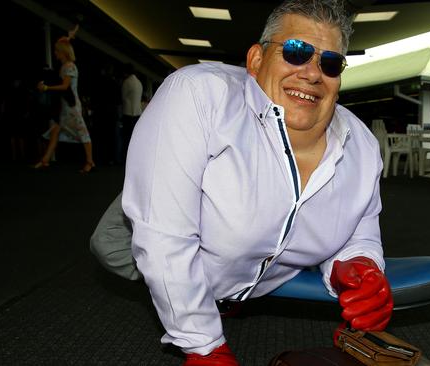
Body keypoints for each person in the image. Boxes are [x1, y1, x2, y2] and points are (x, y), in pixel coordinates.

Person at [120, 1, 393, 364]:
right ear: (255, 60)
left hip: (253, 278)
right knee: (156, 214)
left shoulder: (362, 147)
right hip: (149, 224)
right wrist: (204, 345)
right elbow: (163, 236)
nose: (312, 74)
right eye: (296, 52)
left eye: (329, 63)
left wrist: (358, 263)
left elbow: (360, 229)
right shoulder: (198, 94)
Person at [35, 25, 95, 173]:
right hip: (67, 105)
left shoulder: (69, 67)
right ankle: (45, 160)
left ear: (62, 52)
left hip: (72, 106)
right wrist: (68, 37)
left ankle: (90, 161)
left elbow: (65, 86)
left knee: (83, 133)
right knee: (56, 131)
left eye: (57, 51)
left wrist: (47, 88)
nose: (55, 54)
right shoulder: (66, 66)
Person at [120, 63, 143, 162]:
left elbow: (123, 97)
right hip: (137, 112)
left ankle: (126, 157)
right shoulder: (139, 83)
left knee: (126, 137)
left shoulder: (127, 82)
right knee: (134, 137)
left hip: (128, 112)